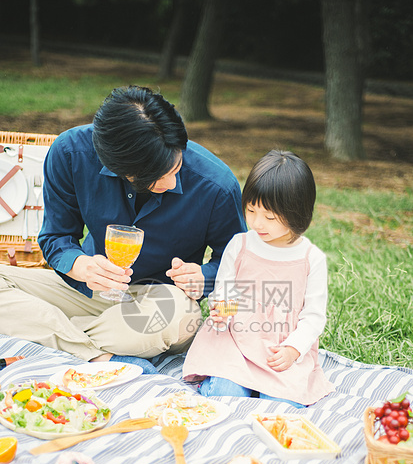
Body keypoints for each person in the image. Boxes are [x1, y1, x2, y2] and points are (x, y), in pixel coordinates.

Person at [0, 86, 246, 373]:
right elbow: (56, 238)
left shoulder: (216, 186)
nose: (170, 184)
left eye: (176, 169)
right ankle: (98, 356)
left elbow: (237, 267)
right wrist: (80, 266)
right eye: (157, 178)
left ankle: (51, 327)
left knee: (183, 317)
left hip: (158, 302)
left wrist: (203, 276)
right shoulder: (70, 153)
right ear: (117, 167)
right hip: (87, 291)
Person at [183, 149, 335, 406]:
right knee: (223, 394)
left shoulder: (311, 258)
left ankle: (269, 387)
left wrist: (293, 349)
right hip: (237, 342)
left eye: (269, 217)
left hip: (280, 347)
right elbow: (225, 292)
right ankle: (224, 379)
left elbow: (314, 316)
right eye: (251, 211)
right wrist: (223, 311)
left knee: (281, 404)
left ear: (297, 213)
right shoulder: (240, 245)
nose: (257, 223)